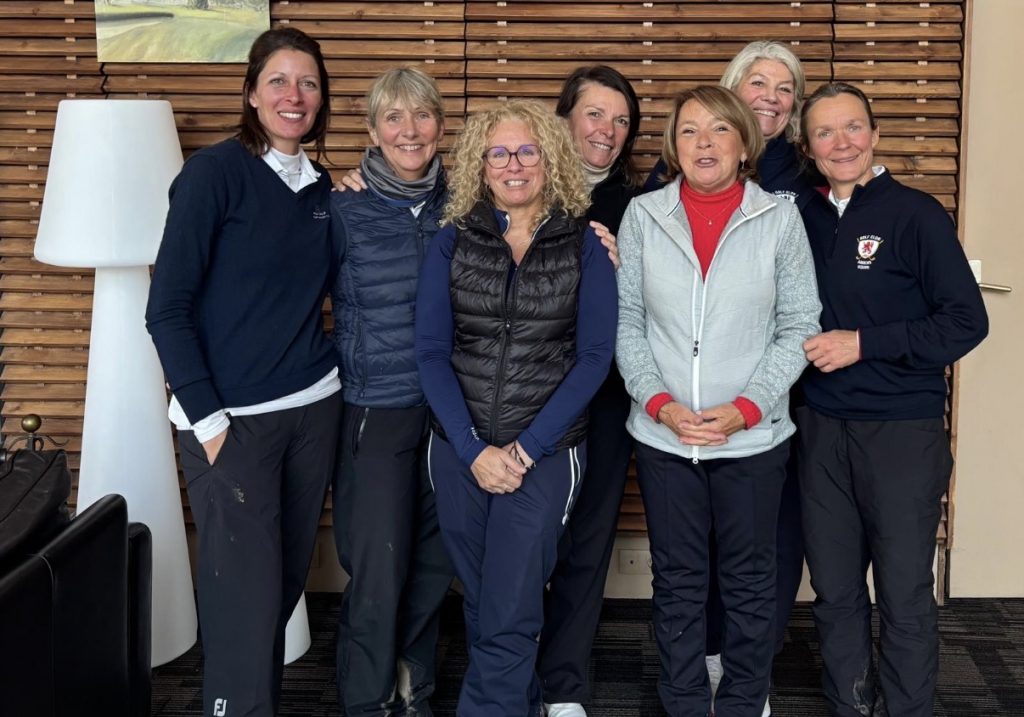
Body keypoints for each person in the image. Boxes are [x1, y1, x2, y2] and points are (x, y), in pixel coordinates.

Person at [145, 27, 340, 717]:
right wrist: (209, 423)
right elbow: (166, 308)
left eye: (309, 83)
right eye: (279, 80)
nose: (295, 95)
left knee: (278, 593)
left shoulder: (321, 187)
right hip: (234, 424)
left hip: (313, 410)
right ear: (252, 93)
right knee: (242, 606)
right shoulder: (213, 175)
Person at [615, 85, 820, 717]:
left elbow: (800, 325)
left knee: (751, 582)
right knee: (678, 582)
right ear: (674, 147)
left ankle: (741, 702)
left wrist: (746, 409)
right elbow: (627, 322)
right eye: (689, 131)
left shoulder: (778, 219)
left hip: (752, 439)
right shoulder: (644, 215)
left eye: (719, 130)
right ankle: (682, 702)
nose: (704, 143)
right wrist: (660, 404)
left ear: (744, 144)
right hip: (665, 436)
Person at [415, 99, 618, 717]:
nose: (513, 164)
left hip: (547, 452)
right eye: (498, 153)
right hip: (459, 450)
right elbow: (431, 352)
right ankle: (523, 702)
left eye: (527, 150)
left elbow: (594, 358)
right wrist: (473, 450)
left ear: (549, 159)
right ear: (480, 165)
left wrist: (525, 450)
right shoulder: (452, 241)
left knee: (507, 605)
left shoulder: (584, 244)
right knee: (487, 598)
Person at [797, 82, 988, 717]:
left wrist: (865, 343)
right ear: (809, 146)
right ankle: (849, 705)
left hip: (901, 431)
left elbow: (966, 323)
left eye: (853, 126)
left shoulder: (916, 215)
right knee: (835, 590)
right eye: (824, 132)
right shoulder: (801, 215)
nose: (841, 142)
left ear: (875, 134)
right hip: (821, 427)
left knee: (904, 592)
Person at [328, 67, 453, 716]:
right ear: (373, 131)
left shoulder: (465, 203)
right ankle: (367, 699)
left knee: (435, 559)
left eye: (422, 115)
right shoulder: (341, 207)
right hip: (377, 406)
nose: (410, 130)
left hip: (452, 410)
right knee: (378, 565)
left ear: (441, 127)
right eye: (394, 117)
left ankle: (413, 684)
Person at [537, 65, 642, 717]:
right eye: (596, 114)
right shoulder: (521, 184)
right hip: (522, 396)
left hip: (604, 397)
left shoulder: (641, 207)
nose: (608, 130)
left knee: (587, 537)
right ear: (564, 119)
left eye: (621, 120)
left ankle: (564, 684)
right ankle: (513, 669)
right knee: (523, 539)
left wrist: (625, 268)